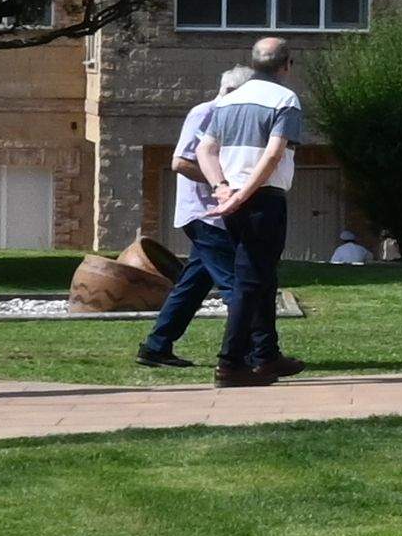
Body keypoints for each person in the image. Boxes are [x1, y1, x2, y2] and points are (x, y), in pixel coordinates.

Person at [182, 41, 305, 387]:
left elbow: (205, 150)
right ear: (287, 65)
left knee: (262, 278)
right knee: (250, 283)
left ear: (253, 64)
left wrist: (223, 188)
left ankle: (266, 356)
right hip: (263, 200)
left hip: (233, 200)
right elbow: (273, 155)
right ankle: (230, 363)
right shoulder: (285, 100)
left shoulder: (229, 99)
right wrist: (244, 194)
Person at [128, 83, 246, 372]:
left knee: (193, 285)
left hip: (217, 215)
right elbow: (180, 162)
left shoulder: (229, 117)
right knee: (237, 284)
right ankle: (249, 353)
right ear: (231, 89)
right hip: (204, 215)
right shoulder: (204, 113)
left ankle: (157, 346)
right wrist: (223, 185)